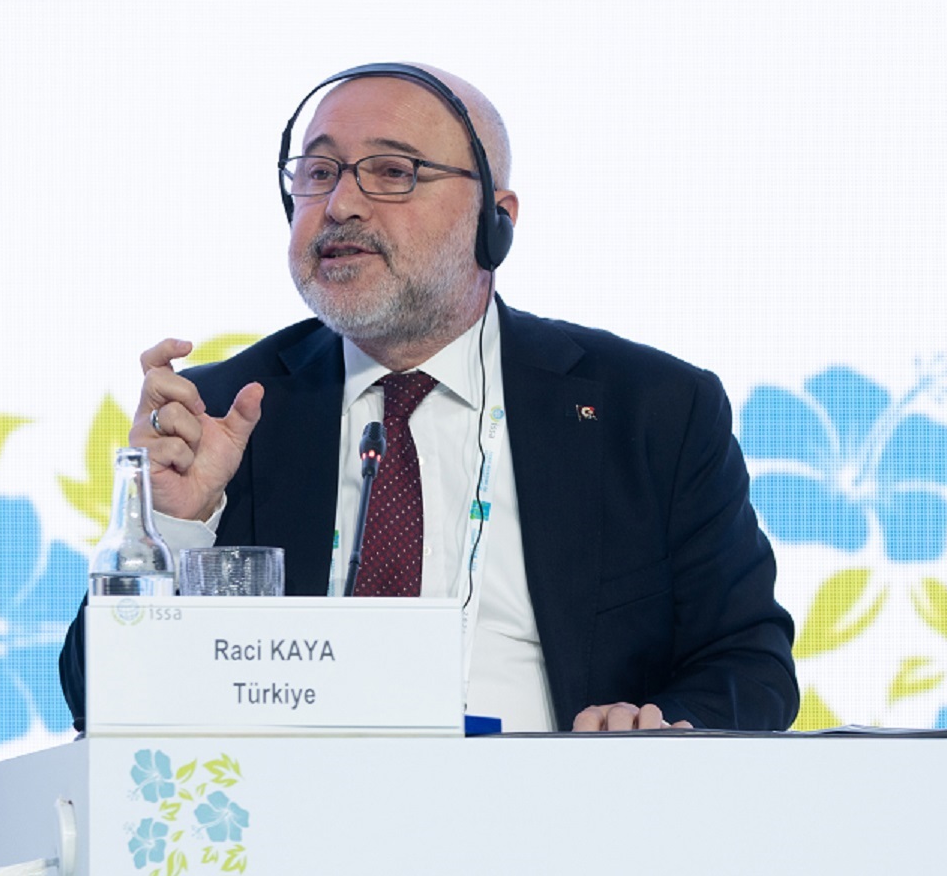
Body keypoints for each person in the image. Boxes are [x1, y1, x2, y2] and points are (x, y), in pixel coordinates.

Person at [59, 63, 798, 732]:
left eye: (393, 172)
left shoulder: (651, 410)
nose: (341, 204)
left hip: (559, 812)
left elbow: (749, 664)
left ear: (495, 221)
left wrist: (655, 727)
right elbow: (101, 701)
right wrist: (173, 528)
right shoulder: (223, 414)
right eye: (318, 172)